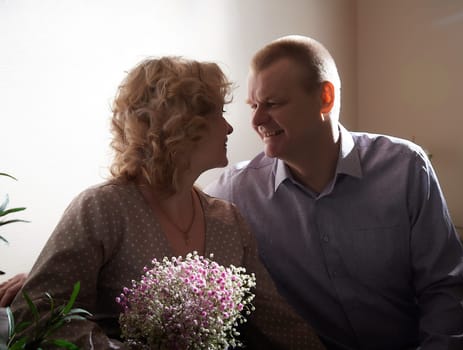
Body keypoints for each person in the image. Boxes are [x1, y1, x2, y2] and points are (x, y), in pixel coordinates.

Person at [6, 56, 324, 349]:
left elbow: (274, 319)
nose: (229, 127)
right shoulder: (102, 209)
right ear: (179, 122)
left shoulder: (227, 219)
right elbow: (36, 317)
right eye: (218, 112)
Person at [204, 35, 463, 349]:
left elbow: (443, 288)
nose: (257, 120)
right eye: (254, 105)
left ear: (325, 98)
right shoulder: (235, 191)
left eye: (272, 104)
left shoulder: (405, 168)